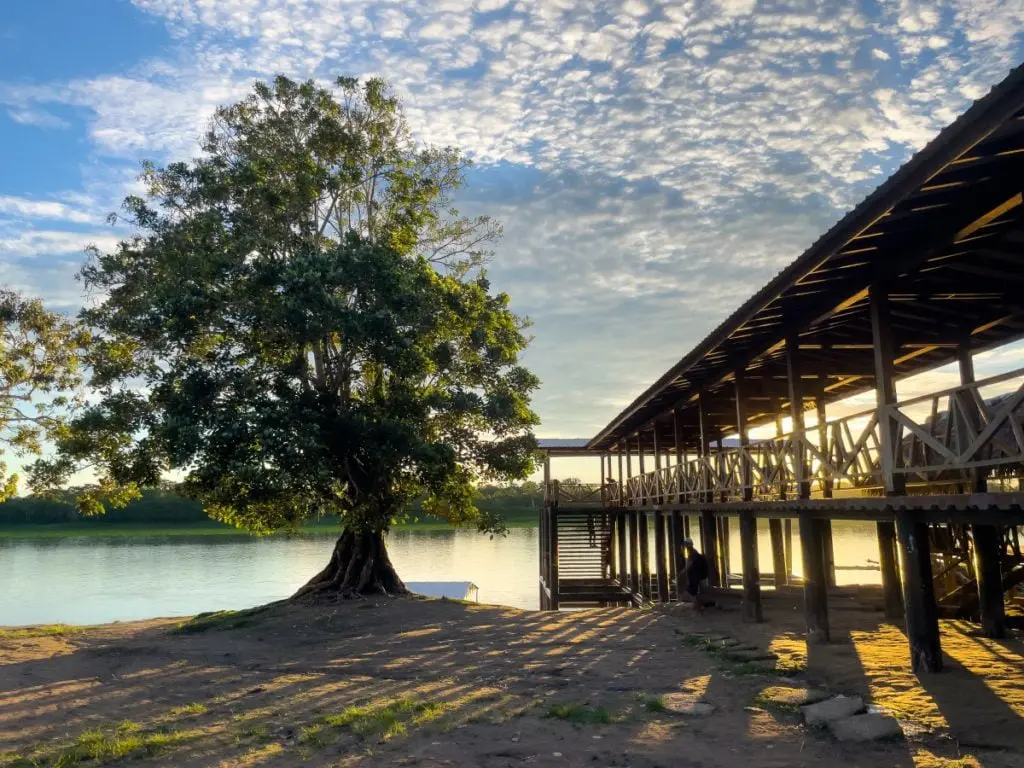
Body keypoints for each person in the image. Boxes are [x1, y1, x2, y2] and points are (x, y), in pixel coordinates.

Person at [682, 537, 709, 611]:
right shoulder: (694, 552)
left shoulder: (692, 553)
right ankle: (700, 605)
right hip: (700, 575)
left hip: (696, 576)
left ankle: (697, 606)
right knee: (699, 590)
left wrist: (681, 573)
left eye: (685, 545)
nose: (684, 546)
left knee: (692, 591)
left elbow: (689, 565)